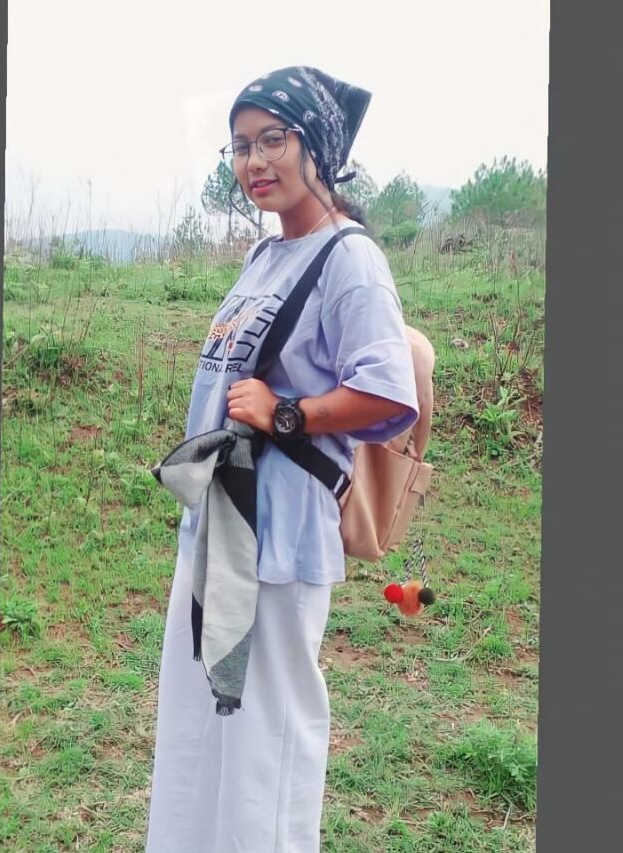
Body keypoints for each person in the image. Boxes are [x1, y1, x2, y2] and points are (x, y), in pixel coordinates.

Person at [145, 66, 420, 853]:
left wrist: (289, 411)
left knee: (267, 735)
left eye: (273, 139)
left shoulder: (350, 258)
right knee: (200, 720)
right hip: (220, 521)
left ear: (318, 146)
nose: (254, 161)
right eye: (239, 146)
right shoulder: (267, 253)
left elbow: (387, 389)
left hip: (280, 530)